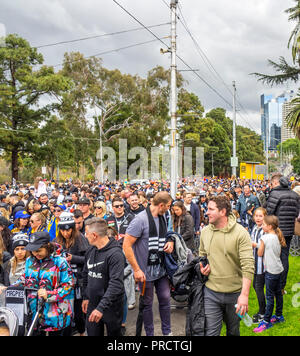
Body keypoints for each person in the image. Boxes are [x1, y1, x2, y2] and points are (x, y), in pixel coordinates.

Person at [199, 195, 254, 336]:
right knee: (210, 332)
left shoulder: (241, 233)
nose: (206, 212)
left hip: (235, 294)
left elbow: (248, 265)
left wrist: (244, 295)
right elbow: (202, 255)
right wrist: (202, 266)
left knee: (233, 331)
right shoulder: (205, 232)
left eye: (211, 209)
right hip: (210, 292)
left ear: (223, 212)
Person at [123, 191, 174, 336]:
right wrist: (136, 269)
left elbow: (168, 234)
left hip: (161, 268)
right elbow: (126, 246)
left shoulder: (164, 216)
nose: (169, 208)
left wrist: (170, 242)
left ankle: (167, 332)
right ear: (161, 205)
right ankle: (150, 334)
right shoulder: (140, 220)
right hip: (144, 272)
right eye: (168, 206)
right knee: (147, 304)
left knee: (165, 298)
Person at [12, 231, 75, 336]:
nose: (36, 254)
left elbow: (69, 285)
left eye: (39, 250)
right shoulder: (30, 261)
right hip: (34, 312)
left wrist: (49, 294)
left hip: (55, 314)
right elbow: (25, 278)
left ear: (48, 246)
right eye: (33, 251)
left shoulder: (60, 262)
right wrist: (9, 288)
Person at [82, 218, 125, 336]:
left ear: (94, 235)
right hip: (93, 302)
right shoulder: (90, 250)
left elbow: (116, 284)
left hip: (111, 305)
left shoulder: (116, 254)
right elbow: (86, 274)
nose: (85, 236)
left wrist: (101, 308)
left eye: (86, 233)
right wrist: (86, 296)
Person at [56, 212, 89, 336]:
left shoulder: (80, 239)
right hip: (63, 282)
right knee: (65, 311)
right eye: (63, 231)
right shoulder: (57, 241)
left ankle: (82, 332)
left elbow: (89, 259)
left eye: (68, 230)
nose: (66, 233)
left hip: (78, 282)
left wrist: (73, 258)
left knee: (79, 311)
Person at [266, 173, 300, 293]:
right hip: (289, 231)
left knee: (274, 257)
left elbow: (269, 212)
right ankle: (281, 287)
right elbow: (296, 214)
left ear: (276, 183)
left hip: (276, 231)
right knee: (284, 258)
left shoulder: (274, 193)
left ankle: (274, 287)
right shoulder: (294, 195)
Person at [253, 215, 286, 333]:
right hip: (278, 269)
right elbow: (275, 250)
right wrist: (258, 245)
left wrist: (258, 246)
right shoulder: (277, 236)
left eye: (263, 225)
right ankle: (278, 316)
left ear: (269, 226)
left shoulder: (264, 237)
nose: (261, 226)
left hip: (270, 272)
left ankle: (266, 322)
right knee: (278, 293)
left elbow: (260, 253)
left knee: (269, 296)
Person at [250, 207, 267, 324]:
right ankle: (263, 309)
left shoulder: (264, 230)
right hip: (255, 262)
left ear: (265, 217)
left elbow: (264, 245)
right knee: (256, 287)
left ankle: (263, 312)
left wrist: (253, 244)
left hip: (262, 263)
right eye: (256, 216)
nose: (258, 218)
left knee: (259, 287)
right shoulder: (255, 228)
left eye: (260, 216)